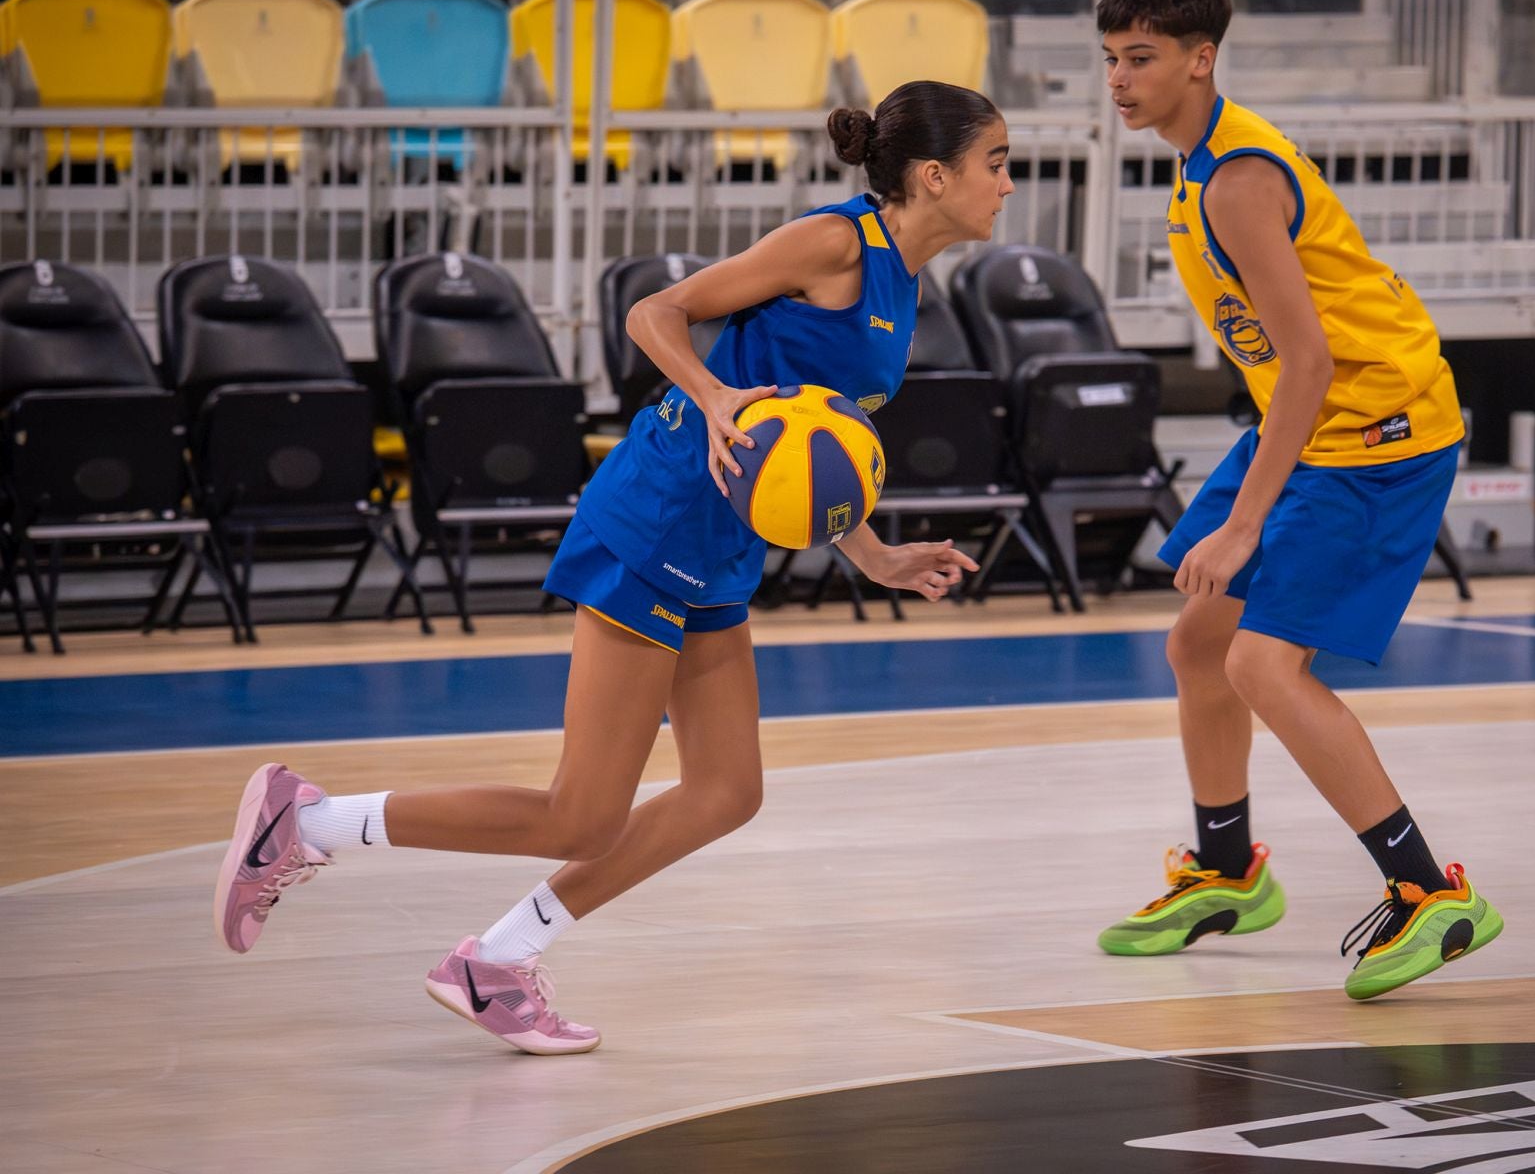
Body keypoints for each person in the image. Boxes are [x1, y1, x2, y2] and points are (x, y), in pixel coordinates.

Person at [213, 81, 1010, 1052]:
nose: (1008, 183)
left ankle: (494, 959)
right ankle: (311, 822)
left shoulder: (904, 285)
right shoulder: (837, 243)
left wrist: (874, 553)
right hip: (661, 515)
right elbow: (655, 312)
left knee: (726, 790)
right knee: (581, 812)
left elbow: (806, 451)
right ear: (936, 174)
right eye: (996, 162)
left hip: (722, 543)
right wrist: (717, 397)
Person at [1091, 0, 1502, 1000]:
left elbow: (1312, 363)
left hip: (1379, 429)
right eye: (1109, 59)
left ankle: (1431, 892)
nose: (1120, 80)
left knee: (1264, 664)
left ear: (1200, 58)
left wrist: (1241, 525)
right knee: (1198, 641)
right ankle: (1228, 872)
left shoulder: (1235, 180)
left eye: (1140, 58)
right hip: (1314, 418)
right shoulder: (1197, 164)